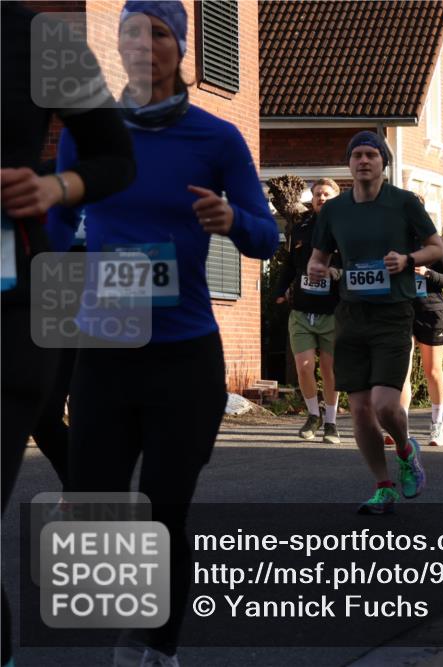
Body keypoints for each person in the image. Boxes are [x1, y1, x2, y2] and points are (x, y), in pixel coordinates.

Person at [52, 3, 278, 665]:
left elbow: (266, 237)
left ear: (179, 48)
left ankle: (156, 647)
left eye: (158, 32)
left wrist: (231, 215)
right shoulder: (86, 135)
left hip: (184, 357)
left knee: (164, 509)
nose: (143, 43)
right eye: (131, 31)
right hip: (105, 349)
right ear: (116, 46)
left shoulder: (216, 139)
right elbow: (61, 239)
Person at [2, 4, 135, 664]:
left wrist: (55, 187)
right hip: (46, 283)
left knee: (71, 403)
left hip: (24, 303)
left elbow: (116, 159)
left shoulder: (40, 40)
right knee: (51, 415)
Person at [308, 130, 443, 514]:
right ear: (349, 163)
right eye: (357, 155)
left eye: (371, 154)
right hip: (351, 315)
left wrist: (408, 260)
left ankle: (405, 450)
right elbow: (317, 258)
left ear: (383, 163)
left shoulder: (402, 203)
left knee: (386, 406)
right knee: (361, 409)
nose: (364, 160)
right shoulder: (334, 210)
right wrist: (318, 268)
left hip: (393, 313)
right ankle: (383, 486)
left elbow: (438, 247)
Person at [274, 178, 342, 443]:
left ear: (336, 198)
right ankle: (313, 414)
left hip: (332, 311)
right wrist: (279, 291)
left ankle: (331, 421)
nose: (321, 198)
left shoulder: (345, 228)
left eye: (326, 194)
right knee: (304, 367)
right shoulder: (300, 227)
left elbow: (353, 267)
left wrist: (332, 272)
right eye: (316, 194)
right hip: (302, 310)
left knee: (329, 370)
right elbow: (289, 264)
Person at [400, 242, 443, 446]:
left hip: (431, 311)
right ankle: (400, 427)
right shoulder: (397, 239)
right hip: (402, 312)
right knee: (402, 372)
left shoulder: (436, 244)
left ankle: (437, 424)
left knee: (432, 371)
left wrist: (428, 273)